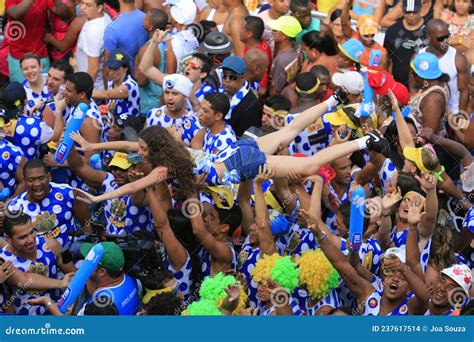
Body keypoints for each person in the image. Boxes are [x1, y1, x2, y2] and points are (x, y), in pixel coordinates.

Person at [0, 212, 75, 315]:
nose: (31, 240)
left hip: (59, 313)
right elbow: (25, 278)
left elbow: (74, 275)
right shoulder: (3, 260)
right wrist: (61, 283)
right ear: (8, 239)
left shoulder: (51, 245)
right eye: (22, 237)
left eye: (32, 232)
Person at [7, 159, 92, 248]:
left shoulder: (66, 192)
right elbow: (13, 243)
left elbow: (87, 223)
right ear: (24, 180)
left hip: (72, 253)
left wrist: (88, 248)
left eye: (41, 178)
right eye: (31, 180)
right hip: (39, 259)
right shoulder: (15, 208)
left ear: (49, 177)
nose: (37, 184)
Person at [4, 0, 74, 83]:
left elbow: (62, 12)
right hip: (19, 57)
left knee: (45, 91)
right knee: (21, 93)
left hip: (41, 55)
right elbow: (15, 14)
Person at [74, 242, 140, 315]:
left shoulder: (98, 307)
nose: (85, 262)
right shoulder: (134, 281)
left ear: (101, 271)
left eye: (90, 260)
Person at [421, 19, 470, 114]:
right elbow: (414, 87)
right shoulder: (418, 57)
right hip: (425, 114)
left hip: (452, 114)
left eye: (447, 36)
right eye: (440, 38)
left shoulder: (458, 59)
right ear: (429, 37)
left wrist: (460, 116)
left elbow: (464, 91)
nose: (446, 41)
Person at [145, 73, 200, 146]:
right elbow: (143, 145)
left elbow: (198, 156)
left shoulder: (195, 123)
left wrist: (179, 143)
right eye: (167, 92)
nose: (170, 97)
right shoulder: (152, 115)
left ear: (185, 96)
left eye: (175, 93)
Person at [384, 0, 428, 86]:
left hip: (422, 86)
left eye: (414, 11)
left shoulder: (429, 30)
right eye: (407, 11)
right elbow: (388, 60)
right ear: (401, 9)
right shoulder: (393, 31)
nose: (411, 15)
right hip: (397, 86)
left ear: (421, 9)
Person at [134, 8, 169, 116]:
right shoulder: (168, 42)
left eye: (145, 19)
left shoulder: (147, 49)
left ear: (151, 27)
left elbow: (141, 81)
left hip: (149, 106)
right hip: (162, 101)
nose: (142, 19)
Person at [220, 56, 262, 137]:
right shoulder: (220, 91)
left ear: (243, 77)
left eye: (232, 77)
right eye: (224, 75)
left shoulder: (251, 105)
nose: (227, 80)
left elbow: (247, 139)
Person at [75, 0, 112, 90]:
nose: (82, 7)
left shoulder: (93, 32)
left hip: (92, 88)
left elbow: (93, 69)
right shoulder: (104, 16)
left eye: (88, 5)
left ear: (99, 8)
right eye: (82, 2)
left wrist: (83, 93)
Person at [92, 49, 140, 117]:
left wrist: (87, 92)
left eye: (116, 69)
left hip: (128, 124)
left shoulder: (130, 85)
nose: (111, 72)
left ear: (126, 68)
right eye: (110, 68)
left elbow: (107, 95)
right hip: (114, 121)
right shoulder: (111, 82)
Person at [103, 0, 148, 73]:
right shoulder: (146, 18)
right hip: (146, 73)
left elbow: (108, 63)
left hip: (126, 77)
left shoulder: (112, 28)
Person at [267, 15, 303, 96]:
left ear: (284, 36)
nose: (272, 32)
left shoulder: (282, 61)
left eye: (275, 30)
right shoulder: (297, 46)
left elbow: (275, 90)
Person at [163, 0, 199, 74]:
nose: (169, 15)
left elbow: (170, 73)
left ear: (176, 20)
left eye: (171, 14)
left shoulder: (174, 41)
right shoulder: (191, 33)